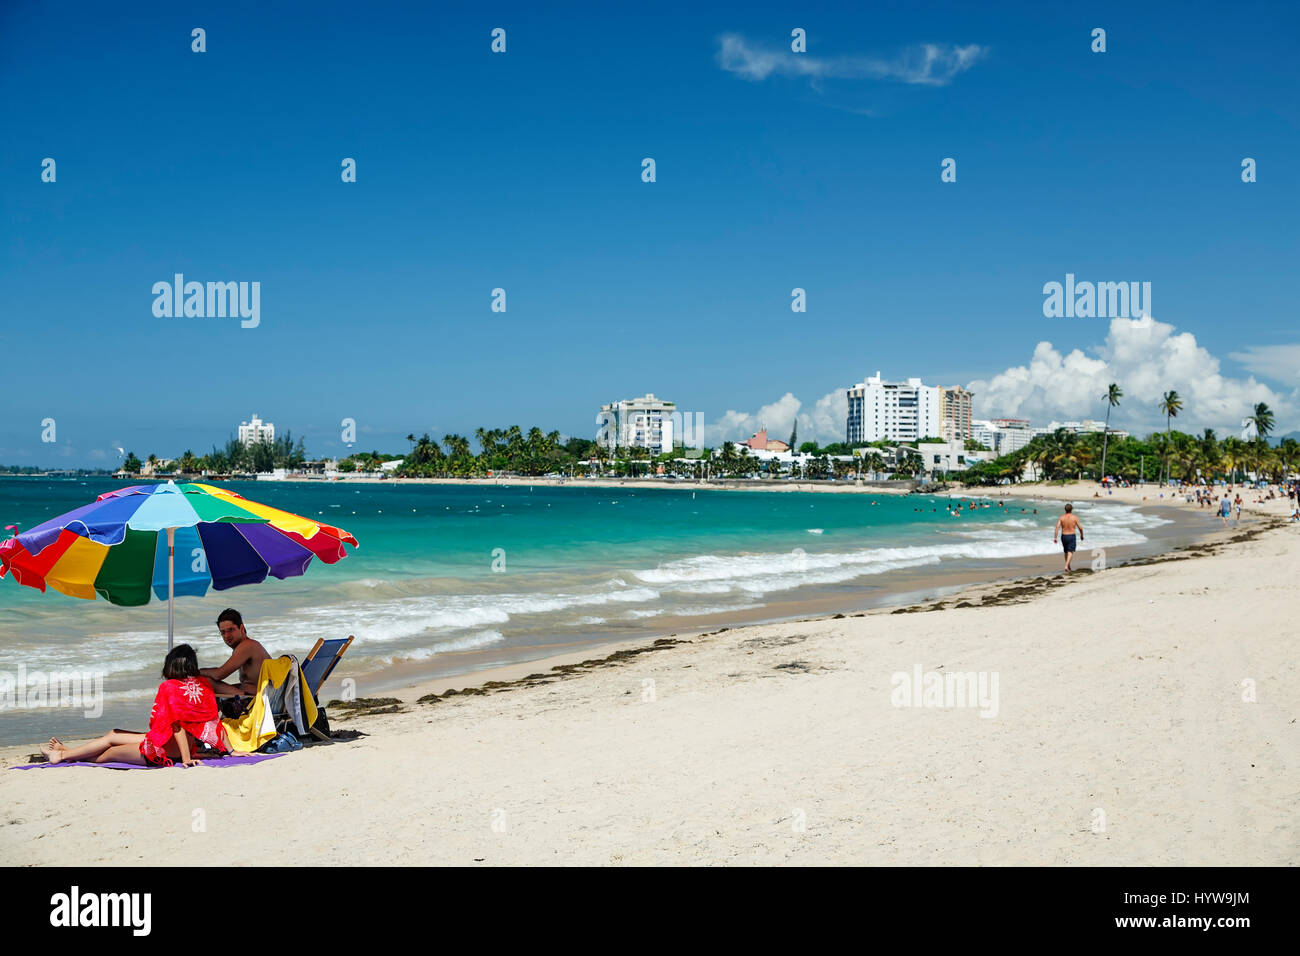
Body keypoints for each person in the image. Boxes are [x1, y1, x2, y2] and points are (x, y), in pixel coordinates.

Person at [39, 645, 230, 767]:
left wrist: (186, 758)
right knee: (113, 735)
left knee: (111, 752)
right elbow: (213, 722)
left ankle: (64, 756)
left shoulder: (169, 687)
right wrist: (229, 750)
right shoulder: (203, 685)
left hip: (163, 750)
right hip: (175, 745)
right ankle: (66, 752)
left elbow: (176, 724)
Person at [200, 609, 270, 697]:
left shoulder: (248, 645)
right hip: (252, 696)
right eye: (223, 632)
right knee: (207, 684)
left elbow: (219, 674)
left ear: (241, 628)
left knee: (207, 682)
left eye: (231, 630)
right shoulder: (242, 647)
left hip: (257, 700)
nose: (227, 636)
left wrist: (194, 671)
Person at [1053, 503, 1083, 572]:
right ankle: (1066, 565)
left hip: (1064, 536)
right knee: (1071, 551)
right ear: (1071, 509)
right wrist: (1081, 535)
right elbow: (1080, 528)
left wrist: (1055, 538)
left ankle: (1068, 566)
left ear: (1065, 509)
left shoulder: (1061, 517)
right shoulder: (1074, 517)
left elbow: (1057, 527)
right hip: (1071, 536)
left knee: (1066, 551)